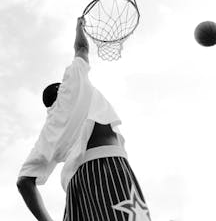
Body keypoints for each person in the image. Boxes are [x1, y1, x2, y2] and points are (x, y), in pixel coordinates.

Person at [17, 17, 152, 221]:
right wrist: (79, 27)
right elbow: (81, 48)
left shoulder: (48, 130)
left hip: (76, 187)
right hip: (107, 168)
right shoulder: (72, 83)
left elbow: (23, 182)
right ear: (60, 88)